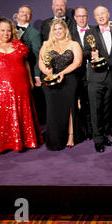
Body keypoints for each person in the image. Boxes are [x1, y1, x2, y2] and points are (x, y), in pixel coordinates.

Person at [0, 17, 42, 154]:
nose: (6, 33)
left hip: (20, 85)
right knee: (2, 114)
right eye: (3, 30)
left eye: (8, 30)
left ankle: (25, 141)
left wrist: (30, 80)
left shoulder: (19, 45)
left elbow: (26, 64)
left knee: (22, 113)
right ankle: (2, 143)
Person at [83, 6, 112, 153]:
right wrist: (91, 55)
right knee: (95, 109)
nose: (100, 16)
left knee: (108, 109)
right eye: (97, 15)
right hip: (95, 77)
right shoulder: (90, 32)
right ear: (94, 17)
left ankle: (105, 133)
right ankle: (98, 140)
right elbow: (85, 52)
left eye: (103, 14)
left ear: (108, 14)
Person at [39, 19, 83, 150]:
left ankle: (71, 136)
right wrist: (48, 72)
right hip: (51, 80)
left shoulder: (73, 44)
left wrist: (62, 73)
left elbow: (77, 63)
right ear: (52, 31)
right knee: (53, 110)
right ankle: (55, 137)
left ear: (65, 30)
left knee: (69, 108)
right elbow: (41, 62)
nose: (58, 31)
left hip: (69, 79)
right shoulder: (46, 44)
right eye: (55, 29)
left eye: (60, 29)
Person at [15, 5, 45, 125]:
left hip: (25, 71)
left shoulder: (35, 33)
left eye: (27, 13)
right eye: (22, 12)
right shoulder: (7, 30)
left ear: (30, 17)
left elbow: (38, 55)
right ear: (17, 14)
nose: (24, 14)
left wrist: (37, 75)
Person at [71, 6, 93, 140]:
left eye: (84, 16)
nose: (81, 19)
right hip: (74, 74)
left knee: (89, 104)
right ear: (75, 18)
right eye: (79, 16)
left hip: (91, 74)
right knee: (74, 104)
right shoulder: (69, 33)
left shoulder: (94, 31)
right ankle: (77, 131)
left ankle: (91, 130)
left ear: (88, 17)